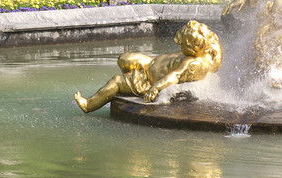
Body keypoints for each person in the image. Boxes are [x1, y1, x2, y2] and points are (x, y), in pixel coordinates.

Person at [74, 20, 222, 112]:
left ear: (192, 48)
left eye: (181, 44)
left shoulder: (193, 63)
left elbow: (175, 76)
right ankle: (129, 83)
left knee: (116, 81)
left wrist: (156, 87)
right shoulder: (209, 50)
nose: (178, 45)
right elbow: (214, 44)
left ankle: (89, 105)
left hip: (148, 80)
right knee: (123, 59)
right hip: (150, 62)